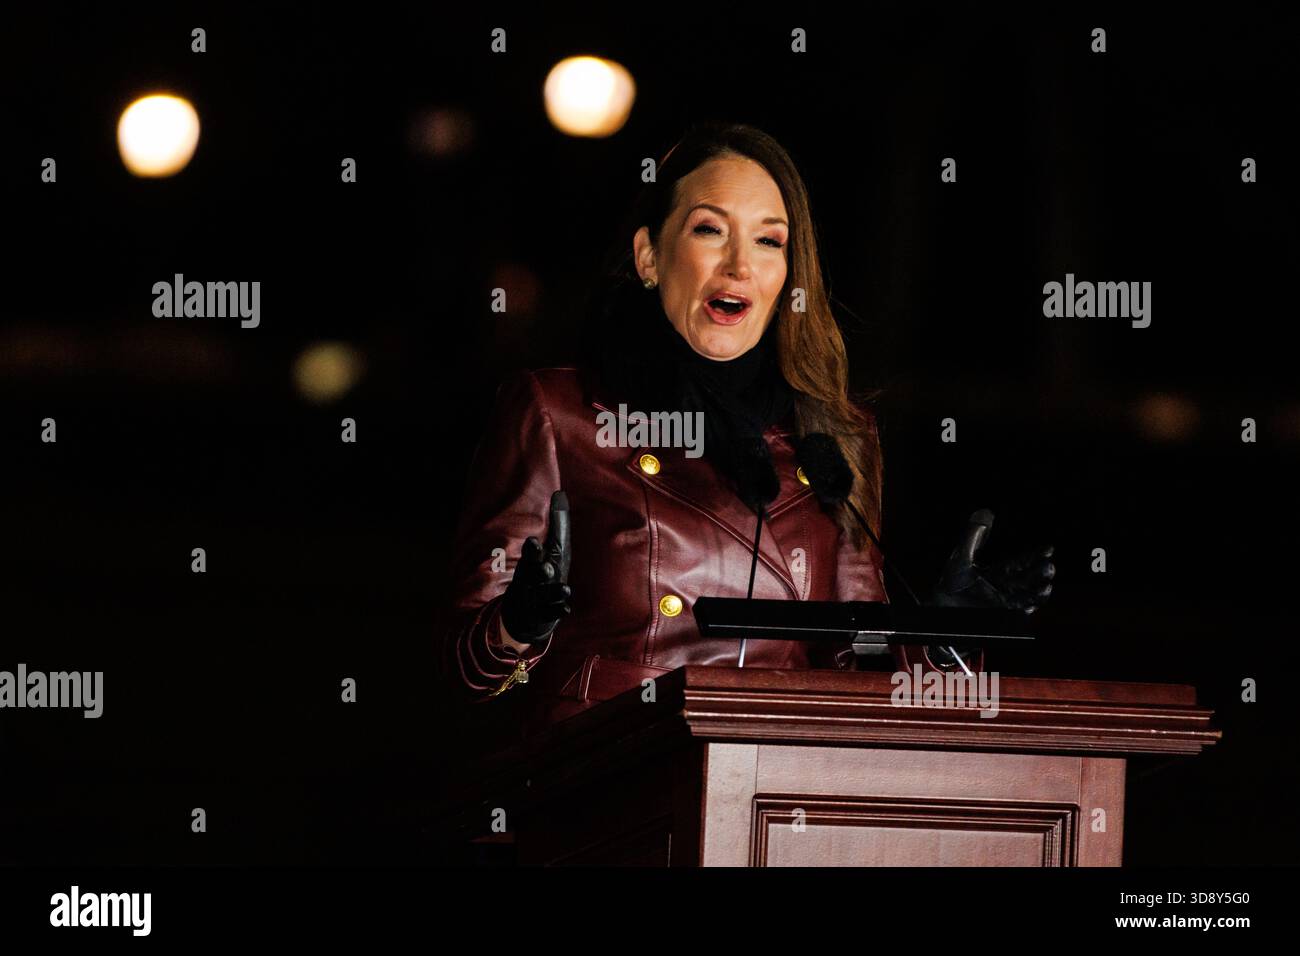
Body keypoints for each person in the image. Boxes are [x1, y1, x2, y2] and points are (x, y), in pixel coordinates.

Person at [438, 121, 1054, 744]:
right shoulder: (558, 412)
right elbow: (471, 677)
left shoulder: (836, 435)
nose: (739, 264)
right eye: (710, 230)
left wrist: (940, 646)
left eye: (768, 241)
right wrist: (518, 626)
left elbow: (858, 681)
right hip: (609, 791)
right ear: (650, 256)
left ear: (788, 274)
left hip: (776, 795)